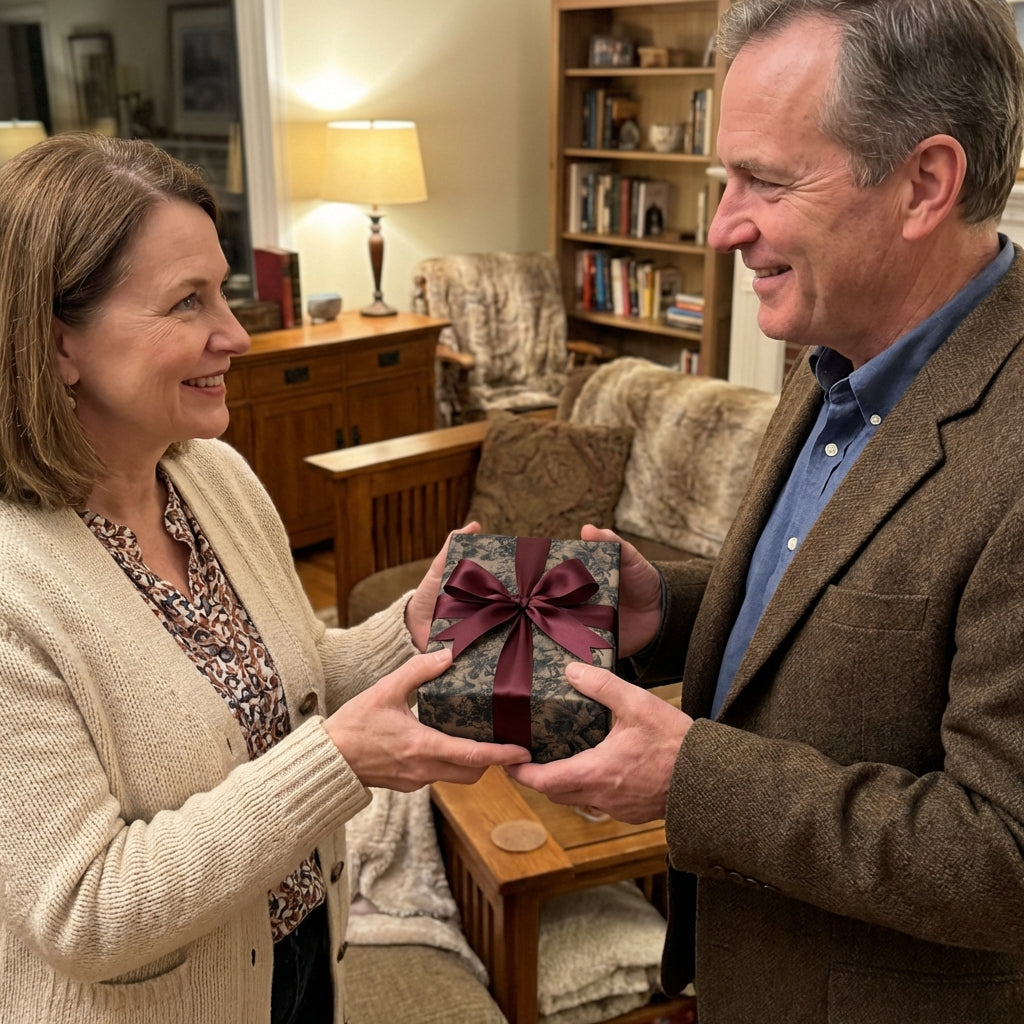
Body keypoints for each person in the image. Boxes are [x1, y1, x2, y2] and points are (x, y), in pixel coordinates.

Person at [509, 1, 1024, 1021]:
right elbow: (829, 611)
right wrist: (676, 607)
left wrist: (690, 777)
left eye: (767, 182)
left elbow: (1001, 856)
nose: (723, 227)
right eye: (721, 180)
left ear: (925, 183)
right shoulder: (829, 351)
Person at [0, 132, 529, 1024]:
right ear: (59, 345)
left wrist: (411, 626)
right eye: (186, 302)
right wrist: (338, 762)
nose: (235, 334)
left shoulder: (213, 474)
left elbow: (291, 672)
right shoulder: (15, 588)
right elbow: (85, 915)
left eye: (225, 291)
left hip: (301, 959)